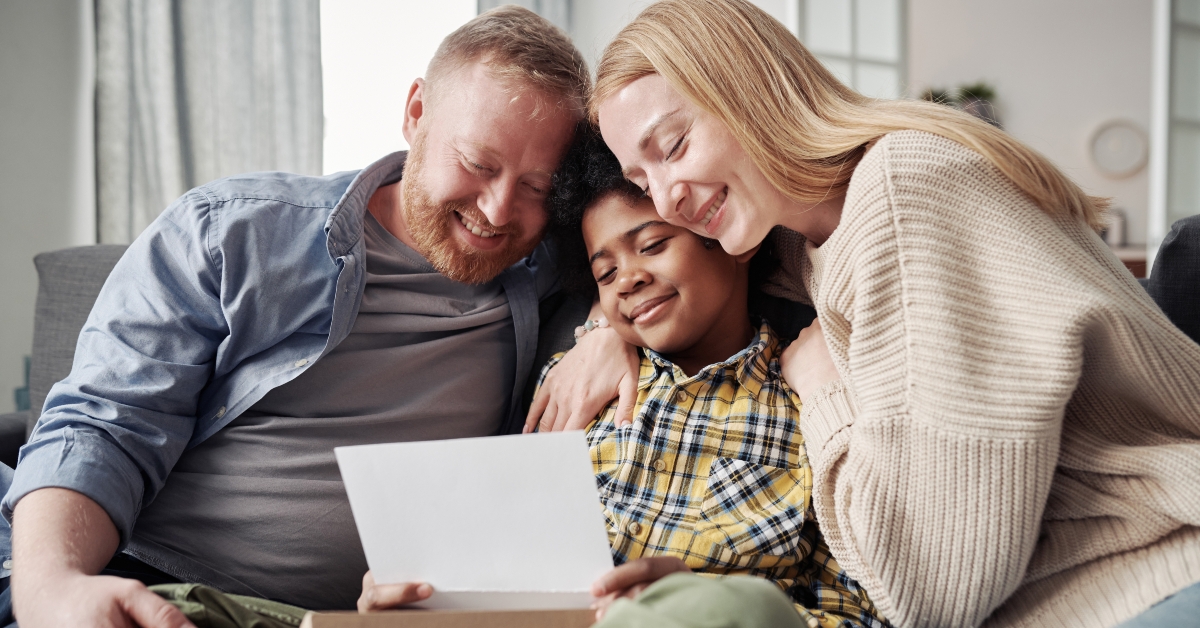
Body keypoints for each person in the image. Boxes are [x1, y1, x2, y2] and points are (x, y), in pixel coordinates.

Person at [532, 1, 1200, 627]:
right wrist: (604, 330)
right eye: (642, 181)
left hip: (1149, 577)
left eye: (674, 145)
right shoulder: (805, 239)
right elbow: (664, 271)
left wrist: (823, 392)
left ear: (750, 94)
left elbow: (933, 590)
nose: (668, 200)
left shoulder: (904, 191)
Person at [1, 7, 590, 626]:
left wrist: (606, 329)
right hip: (147, 579)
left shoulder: (549, 266)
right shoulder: (231, 233)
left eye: (536, 187)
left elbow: (640, 242)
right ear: (416, 112)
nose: (497, 211)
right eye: (477, 163)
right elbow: (106, 425)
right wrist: (52, 587)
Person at [359, 126, 889, 628]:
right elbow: (499, 549)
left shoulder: (808, 407)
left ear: (727, 236)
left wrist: (700, 603)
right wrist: (425, 586)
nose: (628, 280)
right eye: (605, 273)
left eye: (653, 245)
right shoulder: (574, 389)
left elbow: (857, 611)